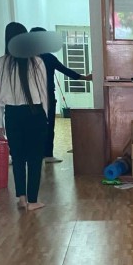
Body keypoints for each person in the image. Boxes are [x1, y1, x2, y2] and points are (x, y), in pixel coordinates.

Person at [0, 22, 48, 211]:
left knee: (17, 158)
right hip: (35, 113)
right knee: (34, 158)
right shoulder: (37, 61)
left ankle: (22, 198)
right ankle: (33, 201)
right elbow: (44, 94)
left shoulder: (1, 63)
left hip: (12, 114)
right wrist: (46, 117)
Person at [30, 27, 92, 163]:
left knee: (33, 127)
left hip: (29, 98)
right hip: (47, 97)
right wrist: (85, 78)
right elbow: (66, 71)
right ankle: (47, 155)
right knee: (48, 126)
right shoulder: (48, 58)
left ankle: (35, 155)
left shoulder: (26, 59)